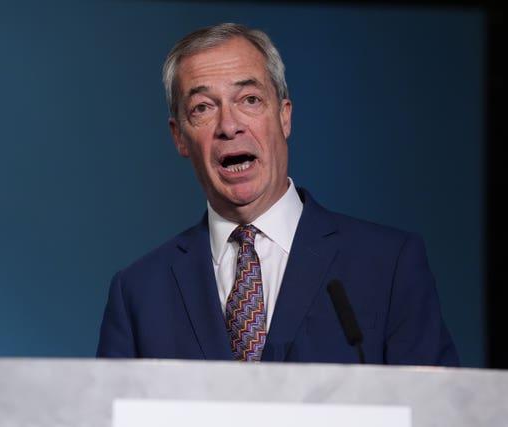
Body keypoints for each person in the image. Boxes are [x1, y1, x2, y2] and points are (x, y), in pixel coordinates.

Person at [96, 22, 459, 366]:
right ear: (179, 136)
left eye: (250, 100)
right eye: (203, 108)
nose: (229, 125)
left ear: (284, 117)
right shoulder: (139, 293)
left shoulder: (389, 264)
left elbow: (435, 410)